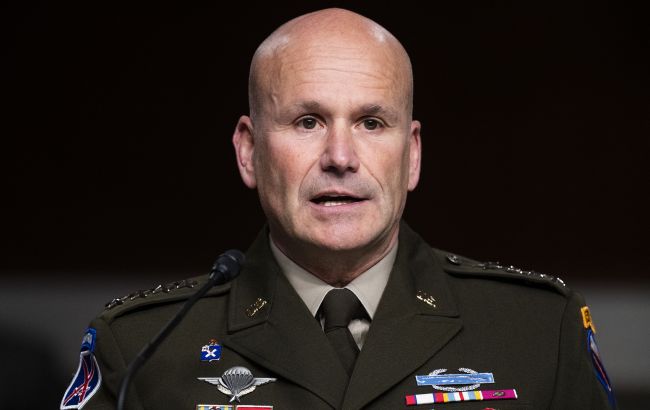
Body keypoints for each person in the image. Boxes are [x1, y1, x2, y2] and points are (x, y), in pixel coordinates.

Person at [61, 8, 616, 410]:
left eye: (372, 123)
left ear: (412, 155)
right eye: (308, 122)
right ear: (249, 151)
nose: (341, 157)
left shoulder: (539, 331)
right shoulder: (141, 349)